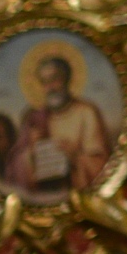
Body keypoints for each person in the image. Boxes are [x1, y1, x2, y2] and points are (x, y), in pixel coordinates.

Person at [16, 48, 111, 200]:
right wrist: (31, 152)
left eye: (55, 79)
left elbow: (101, 162)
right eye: (45, 82)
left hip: (77, 195)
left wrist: (74, 156)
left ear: (67, 79)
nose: (50, 87)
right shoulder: (33, 118)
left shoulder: (86, 112)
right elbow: (16, 166)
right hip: (44, 196)